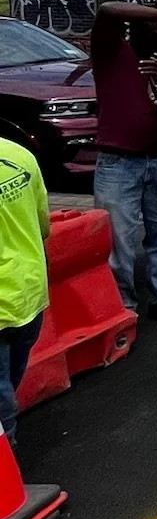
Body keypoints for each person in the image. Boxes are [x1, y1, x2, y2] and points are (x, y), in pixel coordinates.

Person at [91, 2, 157, 321]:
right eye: (156, 29)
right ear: (134, 30)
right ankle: (122, 304)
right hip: (119, 161)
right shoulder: (111, 54)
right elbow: (108, 9)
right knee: (116, 236)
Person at [0, 136, 50, 455]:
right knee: (8, 377)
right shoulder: (20, 155)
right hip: (29, 289)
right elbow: (43, 223)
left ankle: (7, 454)